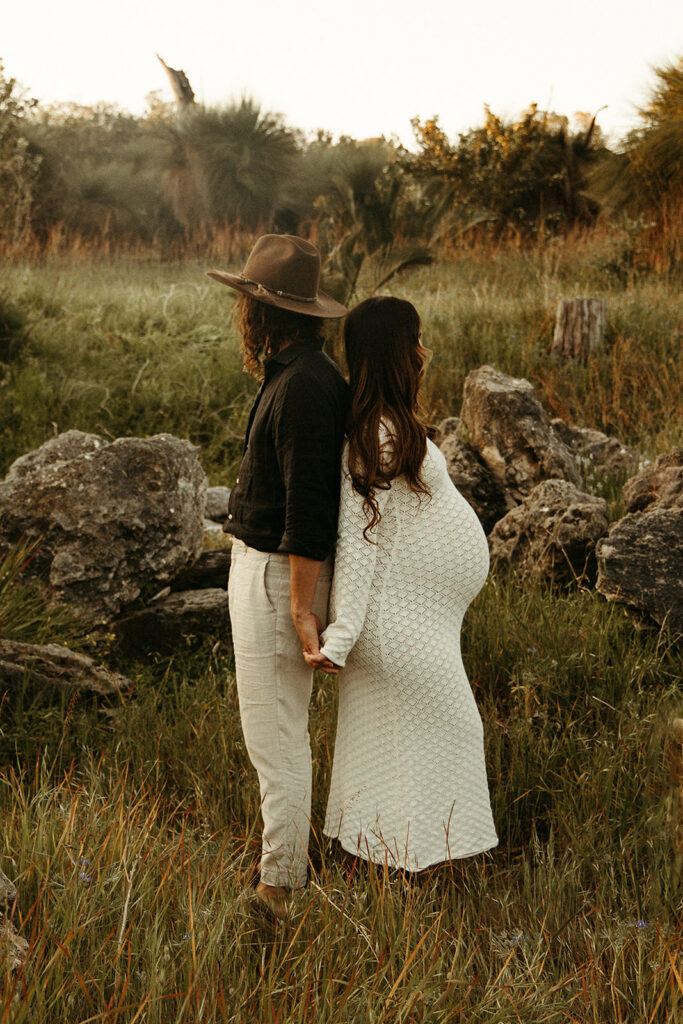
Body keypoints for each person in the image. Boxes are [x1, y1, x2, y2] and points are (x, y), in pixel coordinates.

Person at [305, 296, 498, 871]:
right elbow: (358, 543)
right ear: (395, 350)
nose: (423, 351)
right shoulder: (377, 434)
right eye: (415, 339)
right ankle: (421, 868)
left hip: (417, 621)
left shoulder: (385, 426)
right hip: (395, 626)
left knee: (388, 747)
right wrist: (343, 633)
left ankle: (382, 867)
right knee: (454, 730)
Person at [208, 234, 348, 918]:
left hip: (275, 577)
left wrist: (299, 606)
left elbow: (309, 508)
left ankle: (278, 890)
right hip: (267, 572)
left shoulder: (304, 387)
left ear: (262, 311)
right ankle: (281, 865)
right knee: (277, 736)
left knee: (277, 741)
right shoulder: (299, 375)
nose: (240, 312)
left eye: (246, 301)